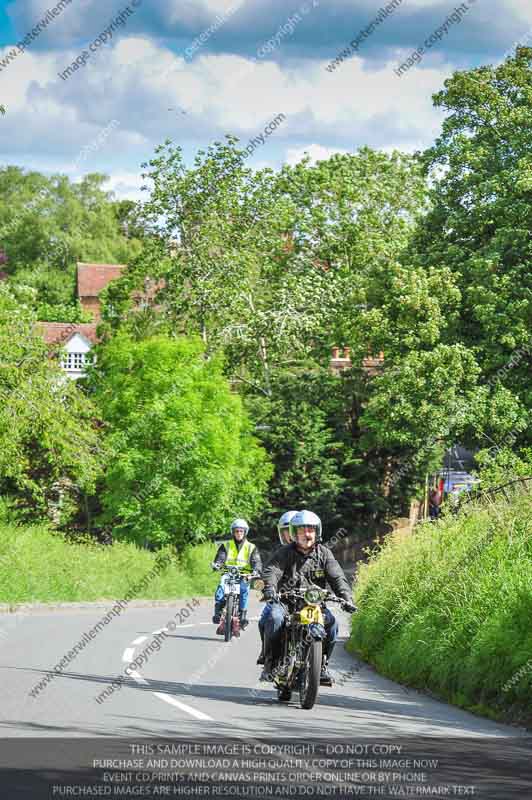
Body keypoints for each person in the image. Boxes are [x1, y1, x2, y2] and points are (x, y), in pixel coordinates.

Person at [260, 509, 357, 685]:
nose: (307, 534)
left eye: (311, 529)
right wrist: (270, 588)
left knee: (332, 624)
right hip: (286, 602)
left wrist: (346, 597)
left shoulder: (324, 553)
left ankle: (320, 665)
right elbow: (272, 570)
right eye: (302, 530)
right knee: (274, 618)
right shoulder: (285, 552)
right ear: (294, 533)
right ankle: (272, 664)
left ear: (317, 531)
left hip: (314, 605)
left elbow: (337, 577)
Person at [256, 510, 297, 665]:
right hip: (279, 598)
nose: (290, 536)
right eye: (286, 532)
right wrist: (267, 586)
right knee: (267, 619)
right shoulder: (278, 551)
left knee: (328, 622)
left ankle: (320, 664)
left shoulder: (314, 550)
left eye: (293, 531)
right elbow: (268, 572)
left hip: (305, 600)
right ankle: (269, 658)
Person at [211, 518, 262, 630]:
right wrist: (217, 564)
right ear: (233, 532)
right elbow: (220, 557)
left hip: (244, 575)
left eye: (241, 531)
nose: (239, 533)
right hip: (228, 574)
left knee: (244, 590)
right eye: (236, 531)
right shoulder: (226, 545)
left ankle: (242, 617)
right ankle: (218, 613)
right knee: (220, 589)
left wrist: (256, 570)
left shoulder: (251, 547)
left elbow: (256, 561)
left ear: (245, 532)